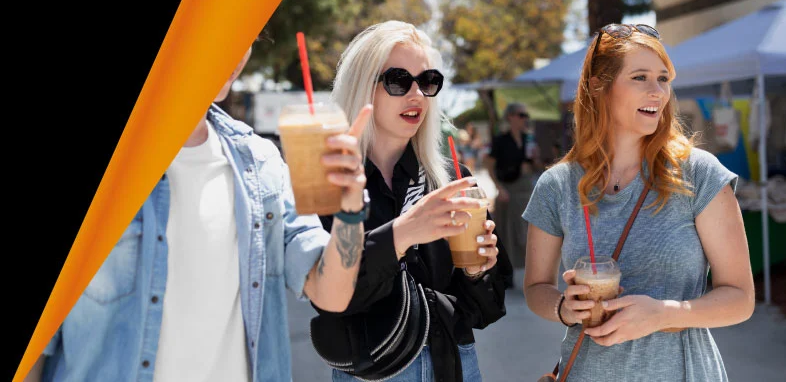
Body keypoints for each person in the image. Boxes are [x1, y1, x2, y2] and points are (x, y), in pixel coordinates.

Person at [26, 43, 372, 382]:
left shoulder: (261, 162)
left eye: (247, 36)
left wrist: (350, 209)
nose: (236, 52)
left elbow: (332, 294)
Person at [523, 24, 755, 381]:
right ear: (599, 87)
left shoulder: (699, 174)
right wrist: (564, 309)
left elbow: (740, 298)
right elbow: (537, 288)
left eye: (663, 78)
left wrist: (663, 313)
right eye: (640, 77)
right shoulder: (558, 185)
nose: (658, 92)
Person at [317, 20, 512, 381]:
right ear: (364, 88)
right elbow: (330, 297)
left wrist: (477, 270)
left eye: (427, 81)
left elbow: (484, 311)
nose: (417, 95)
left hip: (453, 364)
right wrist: (403, 234)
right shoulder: (331, 181)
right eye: (398, 80)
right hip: (372, 371)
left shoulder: (452, 178)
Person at [485, 103, 541, 274]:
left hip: (525, 190)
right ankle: (506, 272)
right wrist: (499, 187)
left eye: (526, 115)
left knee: (527, 233)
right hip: (508, 191)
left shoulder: (528, 139)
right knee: (507, 234)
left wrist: (536, 157)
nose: (524, 119)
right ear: (510, 117)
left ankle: (530, 270)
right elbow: (489, 165)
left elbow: (537, 167)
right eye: (520, 115)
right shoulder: (501, 140)